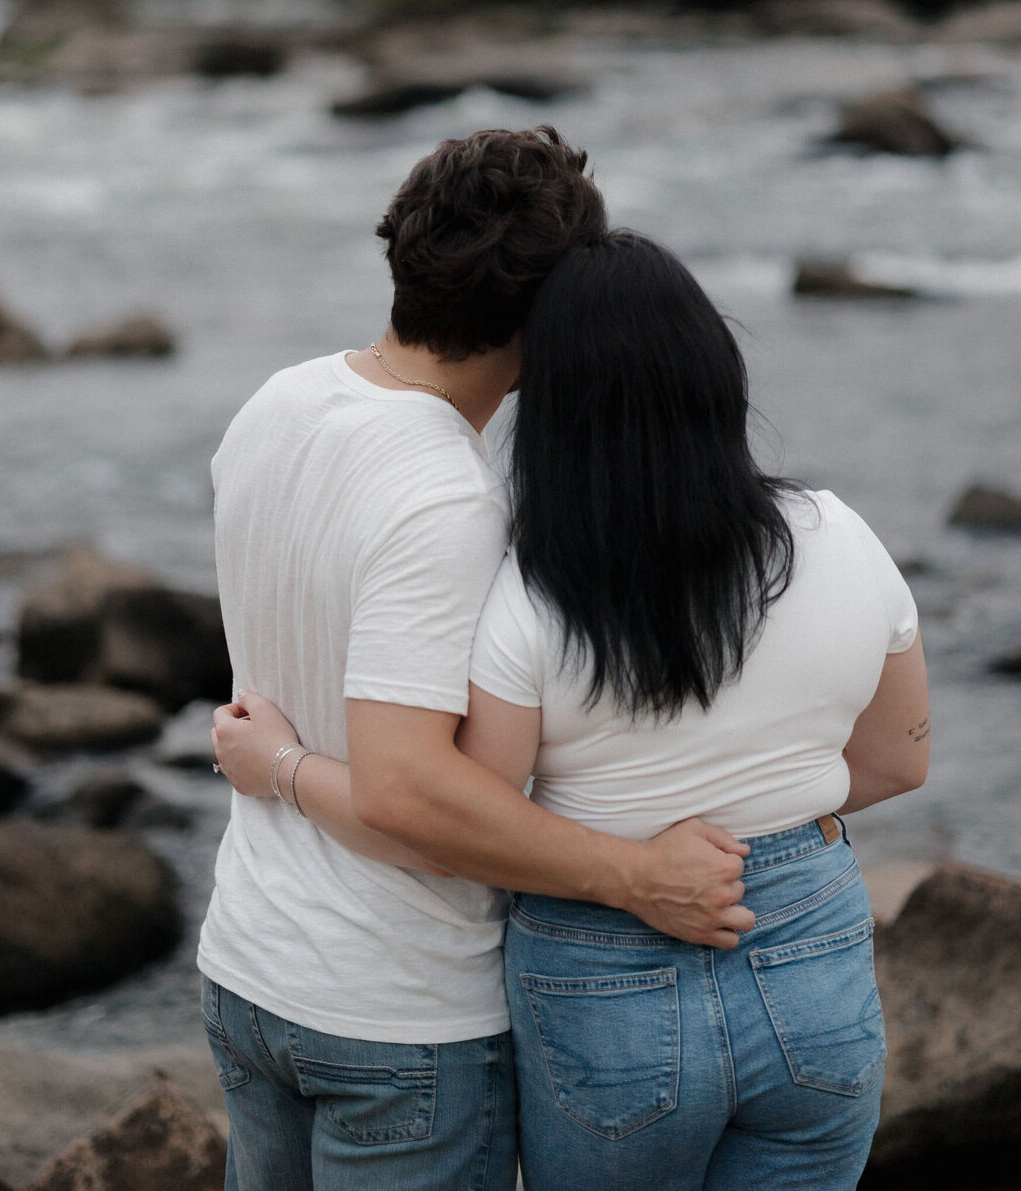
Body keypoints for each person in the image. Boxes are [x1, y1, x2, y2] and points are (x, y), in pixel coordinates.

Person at [218, 230, 929, 1191]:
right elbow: (897, 763)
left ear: (554, 408)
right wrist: (760, 828)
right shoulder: (840, 534)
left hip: (603, 978)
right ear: (719, 375)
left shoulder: (531, 599)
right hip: (807, 950)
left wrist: (284, 768)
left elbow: (454, 821)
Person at [200, 133, 757, 1191]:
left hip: (250, 967)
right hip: (394, 1015)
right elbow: (415, 798)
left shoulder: (277, 403)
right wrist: (636, 877)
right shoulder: (445, 495)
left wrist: (277, 764)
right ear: (549, 316)